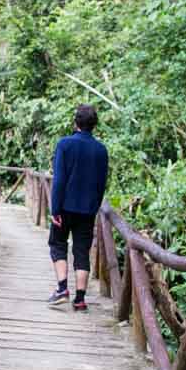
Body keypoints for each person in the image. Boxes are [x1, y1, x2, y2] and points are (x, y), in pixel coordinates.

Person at [47, 104, 109, 311]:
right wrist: (94, 207)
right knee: (82, 251)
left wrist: (55, 209)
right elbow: (101, 184)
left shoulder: (65, 145)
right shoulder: (101, 150)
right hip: (87, 210)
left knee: (57, 244)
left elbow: (59, 180)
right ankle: (80, 299)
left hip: (64, 207)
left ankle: (63, 288)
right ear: (95, 125)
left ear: (76, 122)